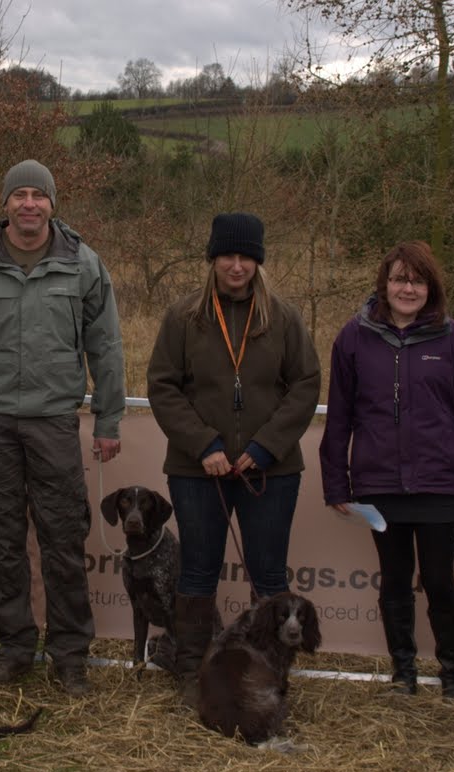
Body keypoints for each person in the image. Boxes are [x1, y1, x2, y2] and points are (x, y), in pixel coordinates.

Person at [0, 159, 125, 697]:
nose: (28, 204)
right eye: (18, 194)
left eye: (37, 196)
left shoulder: (82, 264)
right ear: (4, 204)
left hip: (54, 423)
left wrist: (108, 418)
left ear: (51, 204)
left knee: (64, 539)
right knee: (4, 538)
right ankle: (15, 647)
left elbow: (106, 346)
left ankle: (69, 655)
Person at [147, 212, 320, 706]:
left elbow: (305, 384)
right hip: (196, 470)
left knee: (268, 576)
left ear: (258, 260)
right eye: (228, 255)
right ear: (213, 258)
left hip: (271, 470)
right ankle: (191, 674)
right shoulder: (183, 317)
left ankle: (269, 675)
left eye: (246, 256)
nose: (237, 265)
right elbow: (162, 386)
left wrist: (265, 447)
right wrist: (204, 445)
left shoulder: (284, 318)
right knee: (197, 572)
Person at [318, 240, 454, 700]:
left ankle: (453, 674)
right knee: (394, 579)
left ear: (430, 287)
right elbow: (339, 417)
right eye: (399, 279)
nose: (407, 288)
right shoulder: (352, 338)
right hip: (379, 484)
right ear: (384, 283)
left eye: (417, 280)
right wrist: (336, 481)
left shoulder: (453, 339)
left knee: (439, 580)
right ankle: (404, 671)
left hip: (440, 484)